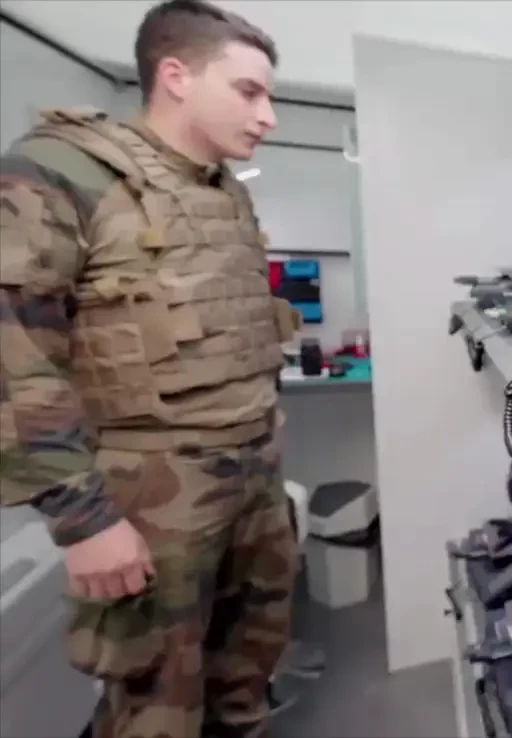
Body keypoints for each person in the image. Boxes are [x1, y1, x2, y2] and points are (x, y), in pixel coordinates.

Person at [0, 1, 300, 736]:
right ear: (175, 76)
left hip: (252, 476)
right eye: (248, 91)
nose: (268, 117)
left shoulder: (223, 190)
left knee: (245, 683)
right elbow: (15, 351)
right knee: (156, 708)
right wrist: (81, 518)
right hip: (152, 490)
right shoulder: (64, 171)